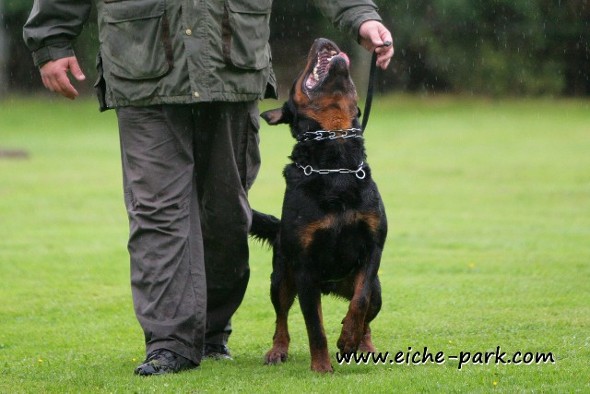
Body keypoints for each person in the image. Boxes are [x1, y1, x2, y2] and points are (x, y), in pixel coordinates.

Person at [23, 0, 394, 376]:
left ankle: (211, 332)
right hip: (141, 68)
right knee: (157, 213)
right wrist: (52, 41)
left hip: (230, 71)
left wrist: (360, 15)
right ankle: (170, 343)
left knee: (226, 216)